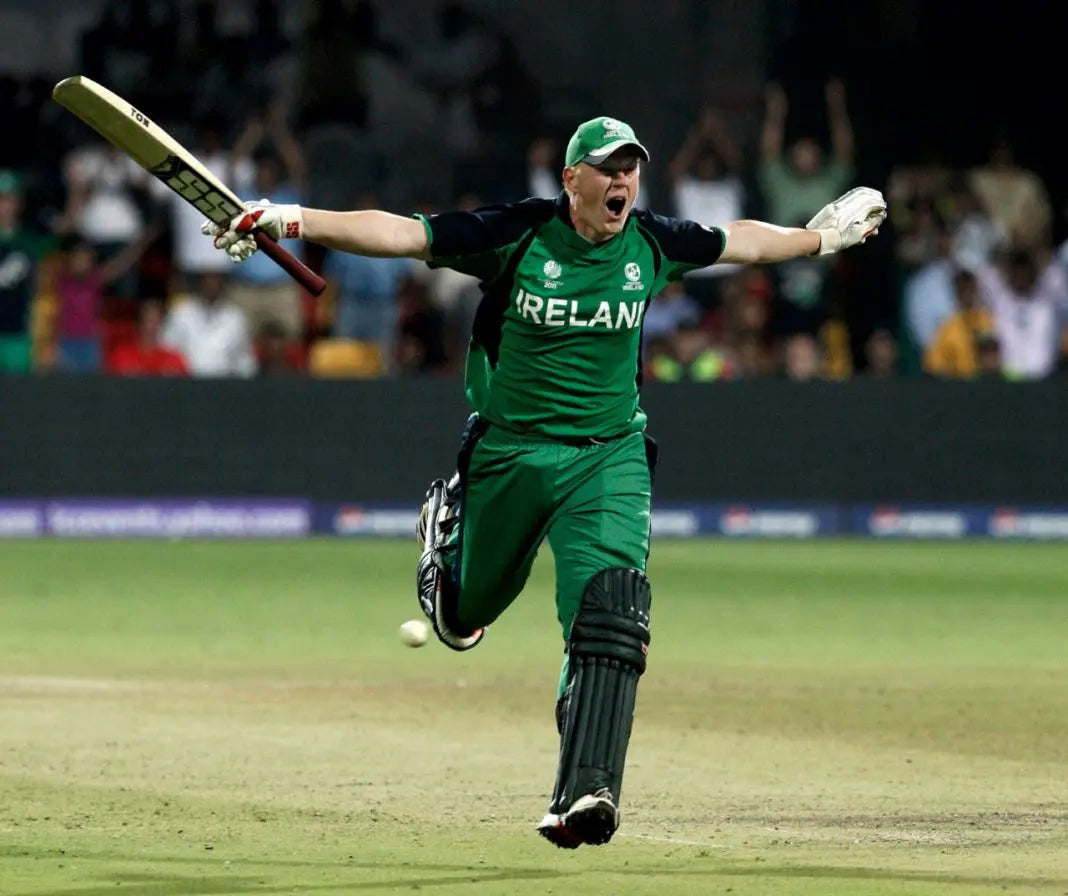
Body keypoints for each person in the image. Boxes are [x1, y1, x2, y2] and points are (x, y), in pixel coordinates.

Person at [203, 115, 886, 848]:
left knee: (612, 614)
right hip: (511, 452)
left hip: (609, 455)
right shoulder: (518, 234)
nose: (621, 180)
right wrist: (293, 218)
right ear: (571, 180)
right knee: (466, 619)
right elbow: (402, 233)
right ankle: (447, 547)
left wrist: (820, 238)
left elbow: (740, 241)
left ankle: (585, 791)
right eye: (605, 169)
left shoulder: (651, 242)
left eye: (629, 168)